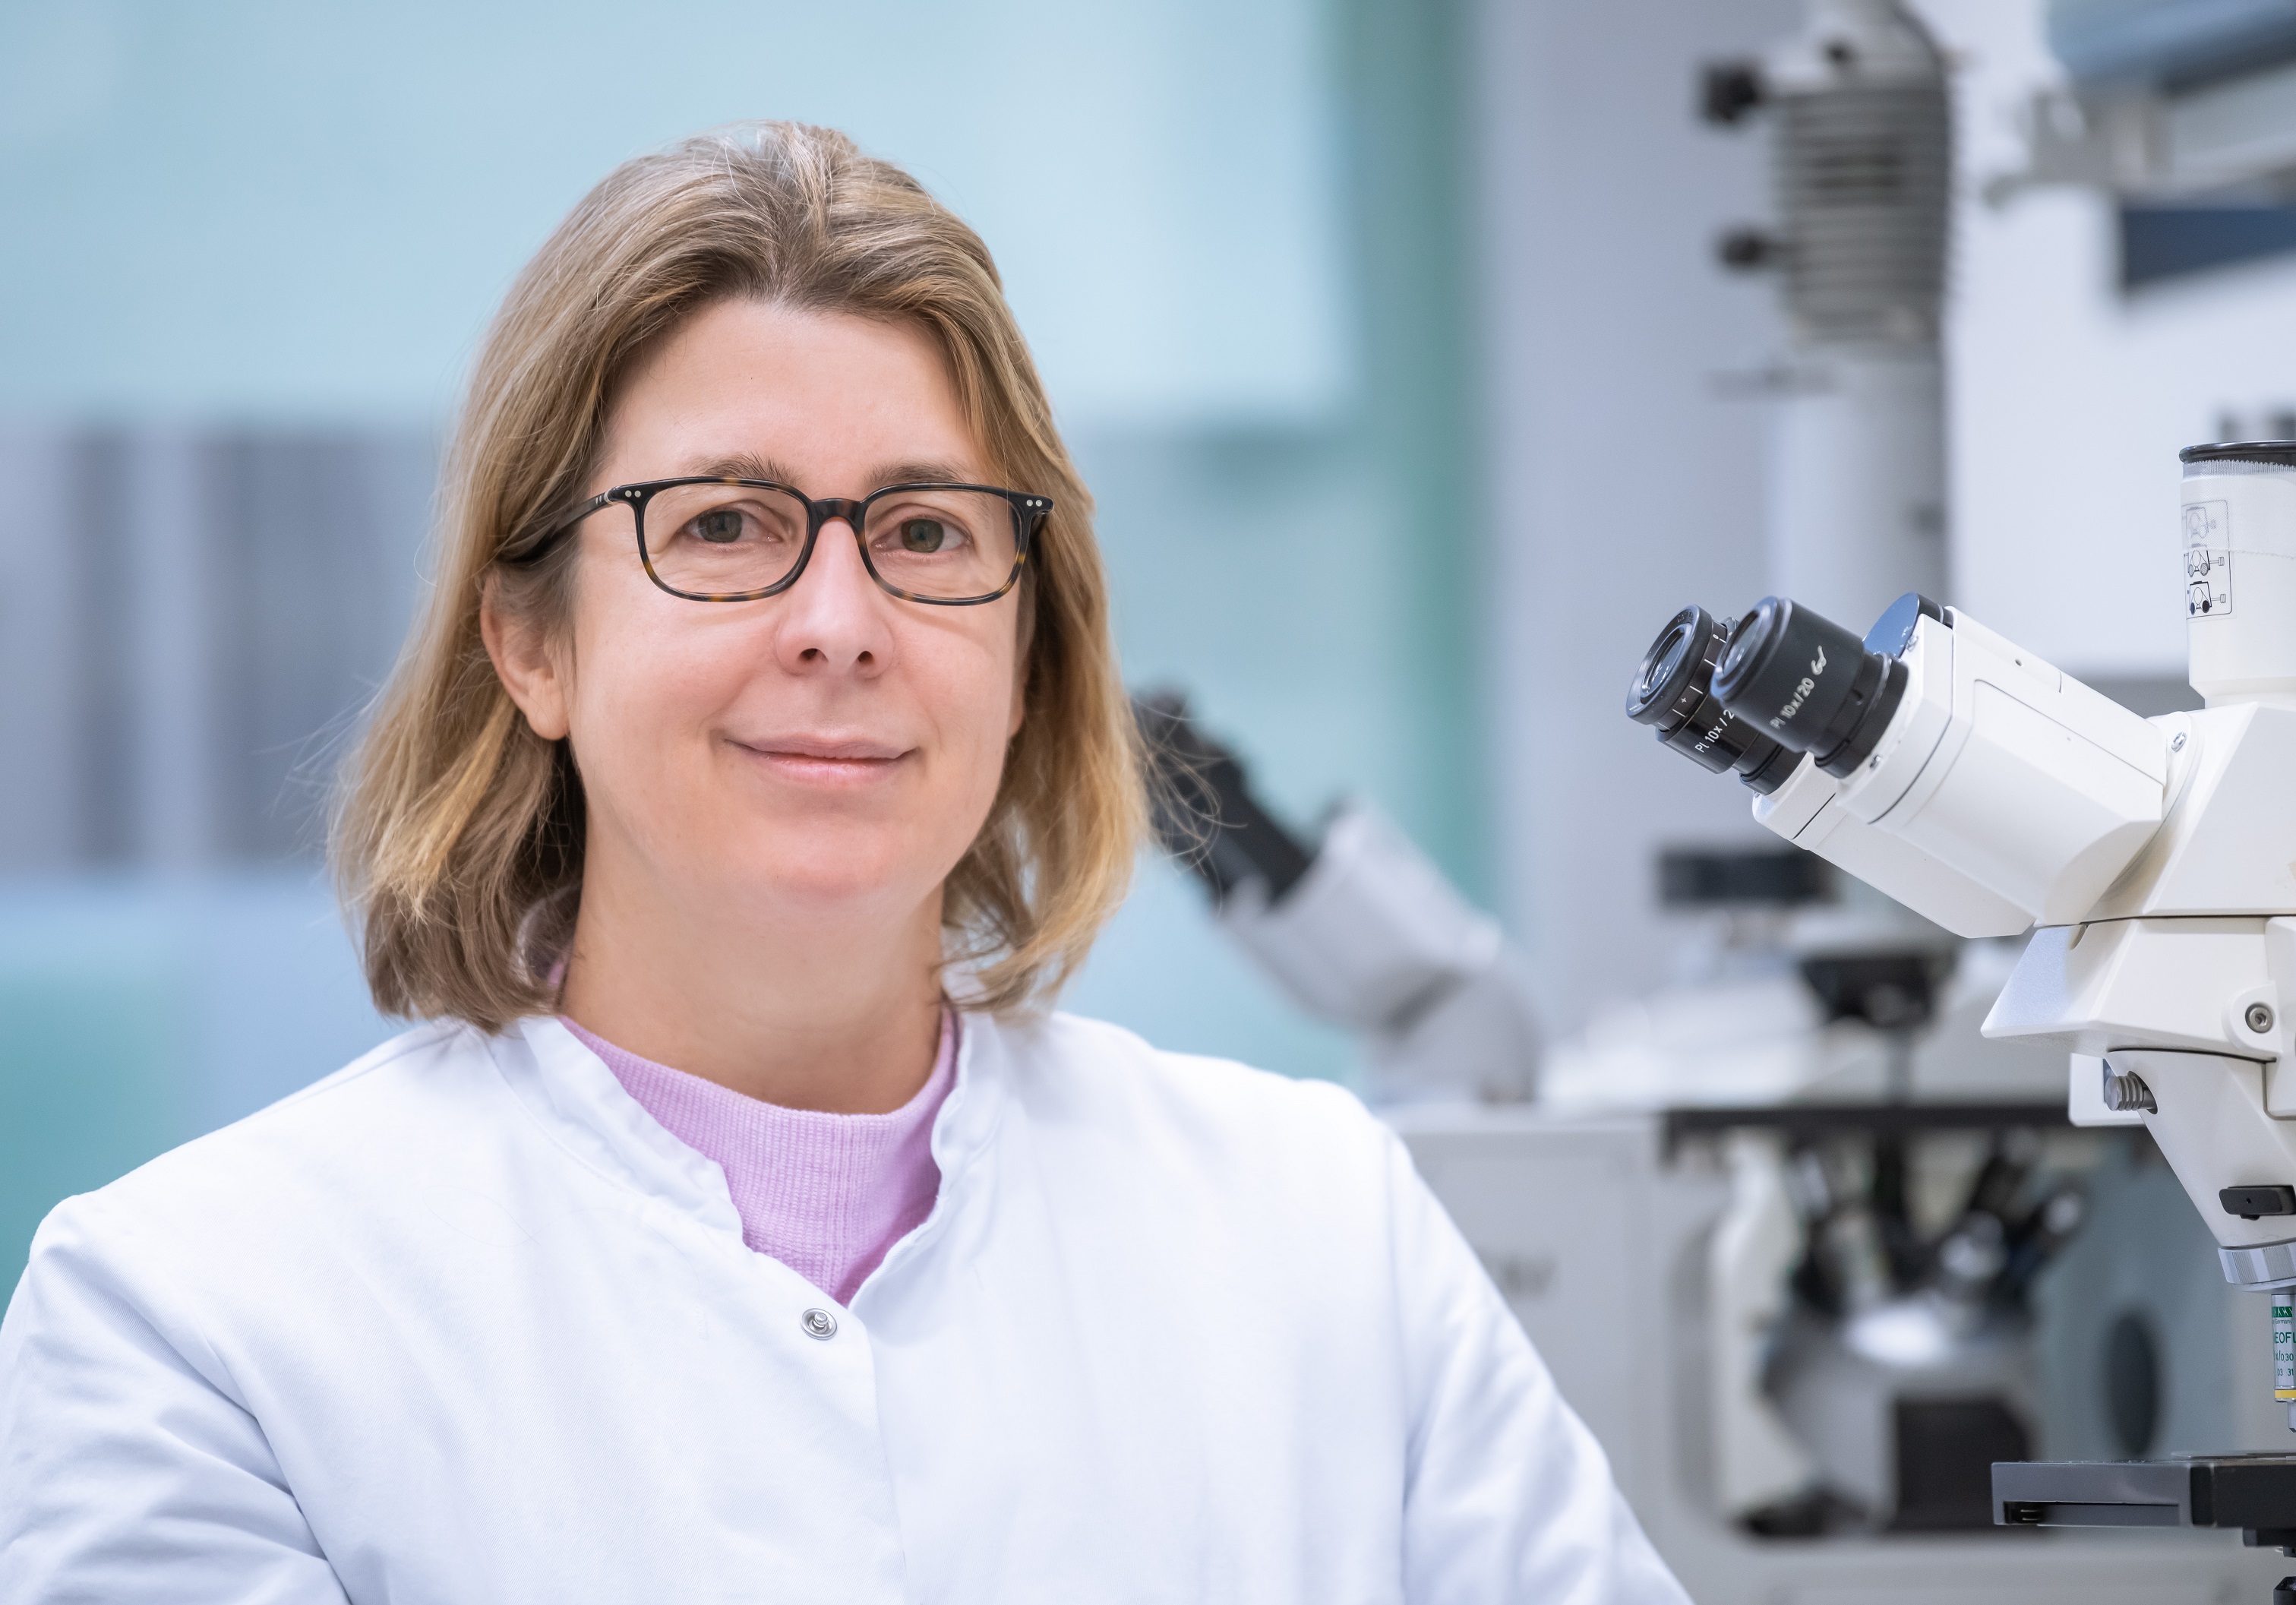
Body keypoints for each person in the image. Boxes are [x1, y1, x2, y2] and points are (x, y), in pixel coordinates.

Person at [0, 123, 1688, 1604]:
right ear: (530, 642)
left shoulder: (1323, 1229)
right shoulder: (194, 1319)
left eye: (926, 531)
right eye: (722, 524)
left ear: (1027, 648)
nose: (839, 625)